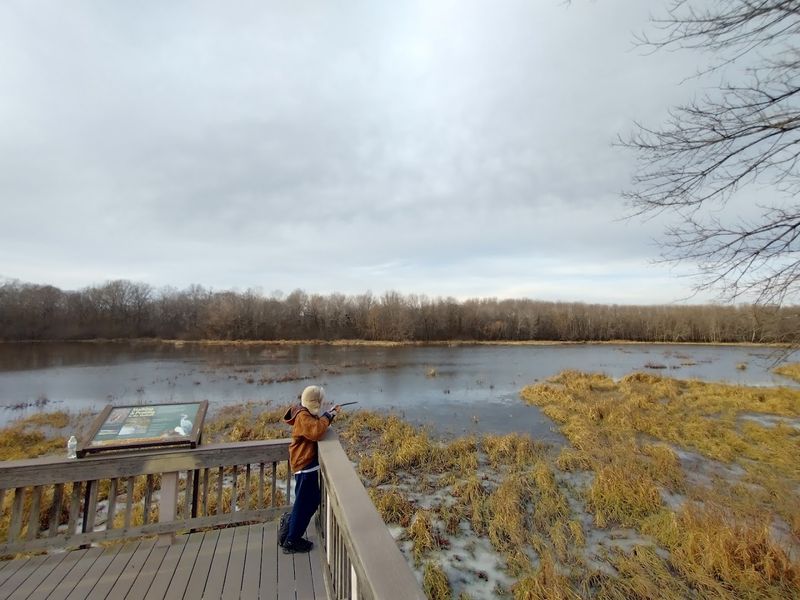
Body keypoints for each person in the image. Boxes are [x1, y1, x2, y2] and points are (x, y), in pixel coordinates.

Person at [281, 385, 339, 553]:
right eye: (319, 401)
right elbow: (315, 431)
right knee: (304, 503)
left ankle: (289, 526)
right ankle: (291, 541)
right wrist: (328, 416)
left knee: (310, 501)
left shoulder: (303, 413)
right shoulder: (303, 417)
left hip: (306, 466)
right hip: (305, 467)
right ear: (315, 402)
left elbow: (316, 426)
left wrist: (330, 415)